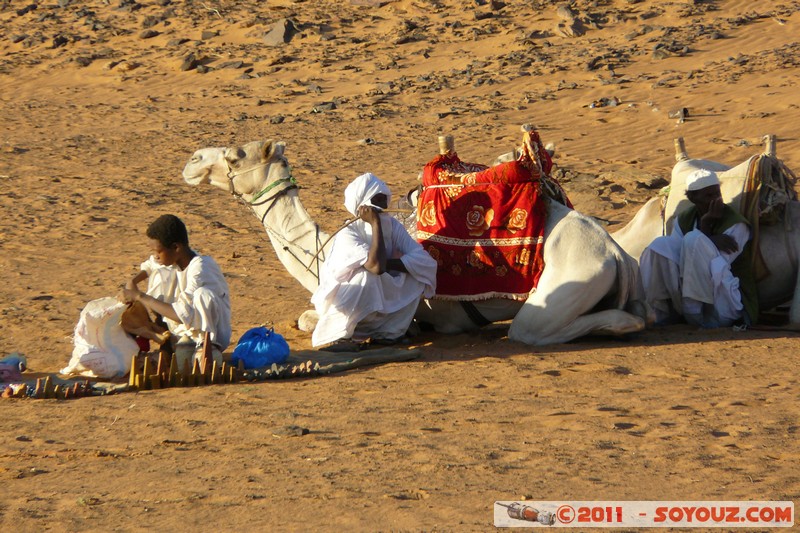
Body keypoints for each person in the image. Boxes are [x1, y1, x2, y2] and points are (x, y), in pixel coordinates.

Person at [311, 173, 437, 349]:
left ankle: (388, 333)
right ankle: (335, 336)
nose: (383, 207)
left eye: (383, 200)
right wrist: (375, 224)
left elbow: (424, 260)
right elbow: (375, 267)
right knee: (366, 276)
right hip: (345, 299)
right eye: (377, 201)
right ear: (363, 207)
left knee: (417, 276)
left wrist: (392, 265)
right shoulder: (349, 232)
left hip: (378, 291)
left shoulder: (392, 225)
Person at [640, 169, 758, 328]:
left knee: (692, 239)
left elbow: (715, 265)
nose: (716, 200)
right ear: (692, 198)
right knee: (660, 245)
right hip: (688, 294)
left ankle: (693, 313)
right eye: (708, 196)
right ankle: (660, 311)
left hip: (725, 302)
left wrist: (704, 233)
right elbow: (679, 256)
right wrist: (707, 233)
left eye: (717, 194)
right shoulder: (685, 219)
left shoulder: (736, 224)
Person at [119, 214, 232, 365]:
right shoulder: (176, 258)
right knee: (161, 274)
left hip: (213, 333)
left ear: (176, 247)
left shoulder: (200, 267)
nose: (155, 256)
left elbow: (181, 314)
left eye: (157, 252)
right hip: (186, 327)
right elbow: (151, 265)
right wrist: (132, 281)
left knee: (202, 294)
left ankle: (207, 348)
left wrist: (139, 296)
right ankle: (169, 343)